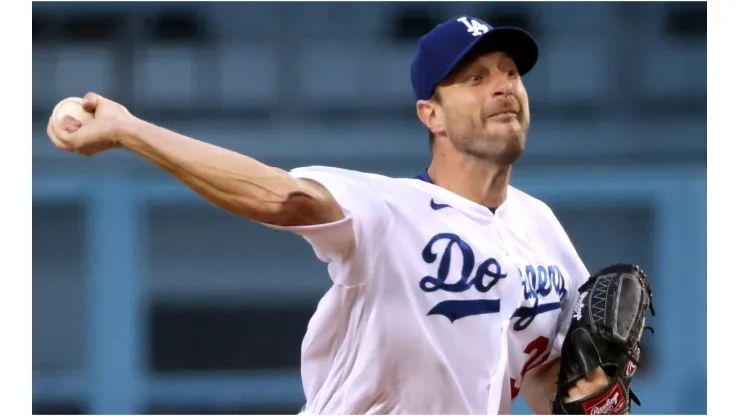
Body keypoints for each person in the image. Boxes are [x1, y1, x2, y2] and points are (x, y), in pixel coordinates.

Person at [47, 15, 613, 415]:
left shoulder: (540, 228)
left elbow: (544, 373)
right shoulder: (387, 209)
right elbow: (283, 198)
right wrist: (128, 130)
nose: (504, 86)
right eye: (476, 77)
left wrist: (592, 400)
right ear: (431, 115)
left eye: (510, 71)